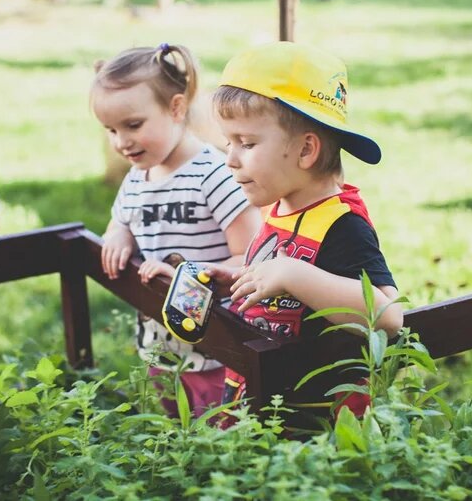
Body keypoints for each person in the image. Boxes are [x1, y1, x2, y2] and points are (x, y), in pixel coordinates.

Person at [206, 41, 403, 428]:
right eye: (228, 142)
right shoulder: (278, 208)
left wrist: (293, 275)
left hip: (314, 425)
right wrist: (244, 279)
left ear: (306, 150)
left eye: (245, 143)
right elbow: (286, 285)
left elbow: (389, 316)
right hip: (264, 397)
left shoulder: (342, 225)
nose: (230, 158)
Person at [91, 43, 260, 417]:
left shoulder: (213, 175)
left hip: (216, 348)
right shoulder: (138, 179)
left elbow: (251, 257)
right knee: (175, 429)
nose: (121, 142)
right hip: (163, 346)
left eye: (133, 125)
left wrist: (186, 279)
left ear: (176, 108)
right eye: (111, 130)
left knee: (216, 431)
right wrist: (118, 233)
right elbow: (122, 220)